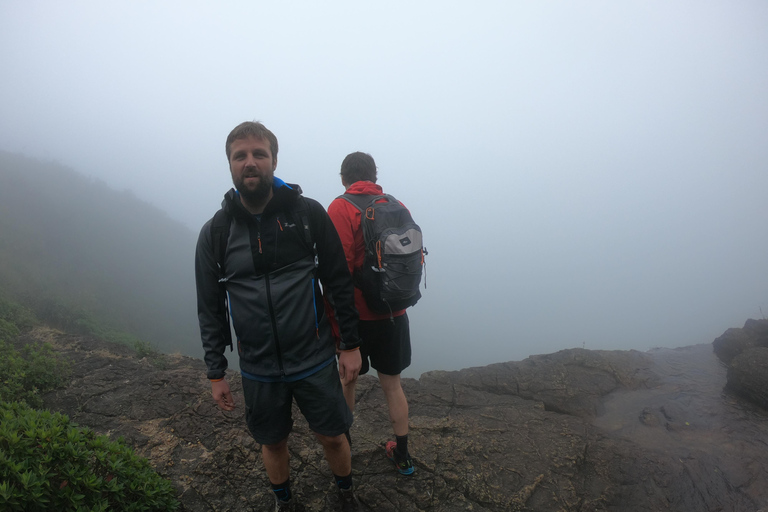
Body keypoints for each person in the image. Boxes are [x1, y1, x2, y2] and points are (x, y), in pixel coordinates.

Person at [195, 122, 363, 512]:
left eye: (259, 154)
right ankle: (284, 503)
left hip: (314, 356)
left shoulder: (307, 214)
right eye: (240, 156)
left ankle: (345, 494)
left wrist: (350, 345)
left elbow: (338, 281)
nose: (250, 162)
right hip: (258, 365)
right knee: (272, 442)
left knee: (334, 436)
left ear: (273, 160)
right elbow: (210, 306)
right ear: (230, 165)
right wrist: (215, 372)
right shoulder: (216, 232)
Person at [327, 152, 415, 476]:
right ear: (375, 176)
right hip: (395, 311)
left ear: (343, 178)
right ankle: (403, 457)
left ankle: (345, 453)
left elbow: (338, 270)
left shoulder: (341, 207)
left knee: (347, 381)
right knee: (393, 386)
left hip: (357, 317)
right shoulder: (397, 205)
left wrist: (333, 321)